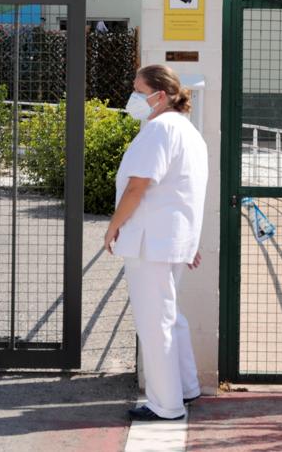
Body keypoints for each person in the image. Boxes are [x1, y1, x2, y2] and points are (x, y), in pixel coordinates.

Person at [104, 64, 208, 421]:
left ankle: (166, 404)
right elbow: (185, 192)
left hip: (151, 242)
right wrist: (189, 241)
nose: (133, 96)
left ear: (159, 95)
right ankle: (186, 387)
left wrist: (113, 226)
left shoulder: (159, 129)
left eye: (139, 90)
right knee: (170, 317)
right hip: (170, 241)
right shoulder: (189, 132)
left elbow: (138, 186)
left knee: (155, 323)